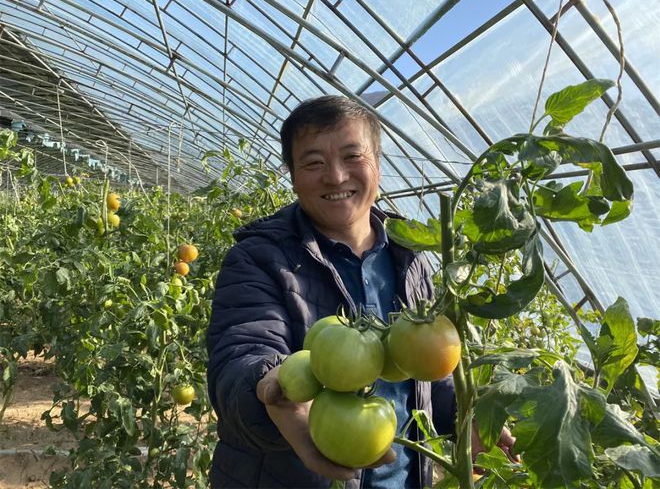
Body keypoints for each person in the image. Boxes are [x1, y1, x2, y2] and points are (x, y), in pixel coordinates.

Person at [206, 95, 515, 488]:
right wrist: (272, 390)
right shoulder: (258, 258)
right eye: (314, 163)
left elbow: (426, 371)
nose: (335, 177)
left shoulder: (411, 256)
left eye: (353, 157)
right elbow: (241, 355)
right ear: (292, 175)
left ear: (378, 165)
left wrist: (465, 420)